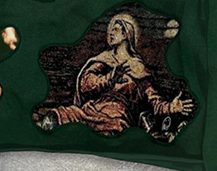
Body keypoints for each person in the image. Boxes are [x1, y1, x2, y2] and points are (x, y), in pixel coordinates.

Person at [32, 12, 194, 139]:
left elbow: (154, 102)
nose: (110, 33)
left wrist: (172, 107)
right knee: (63, 115)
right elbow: (85, 83)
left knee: (107, 133)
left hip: (116, 116)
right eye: (110, 30)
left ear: (126, 34)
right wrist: (109, 78)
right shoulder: (104, 59)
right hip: (92, 109)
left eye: (115, 30)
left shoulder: (138, 68)